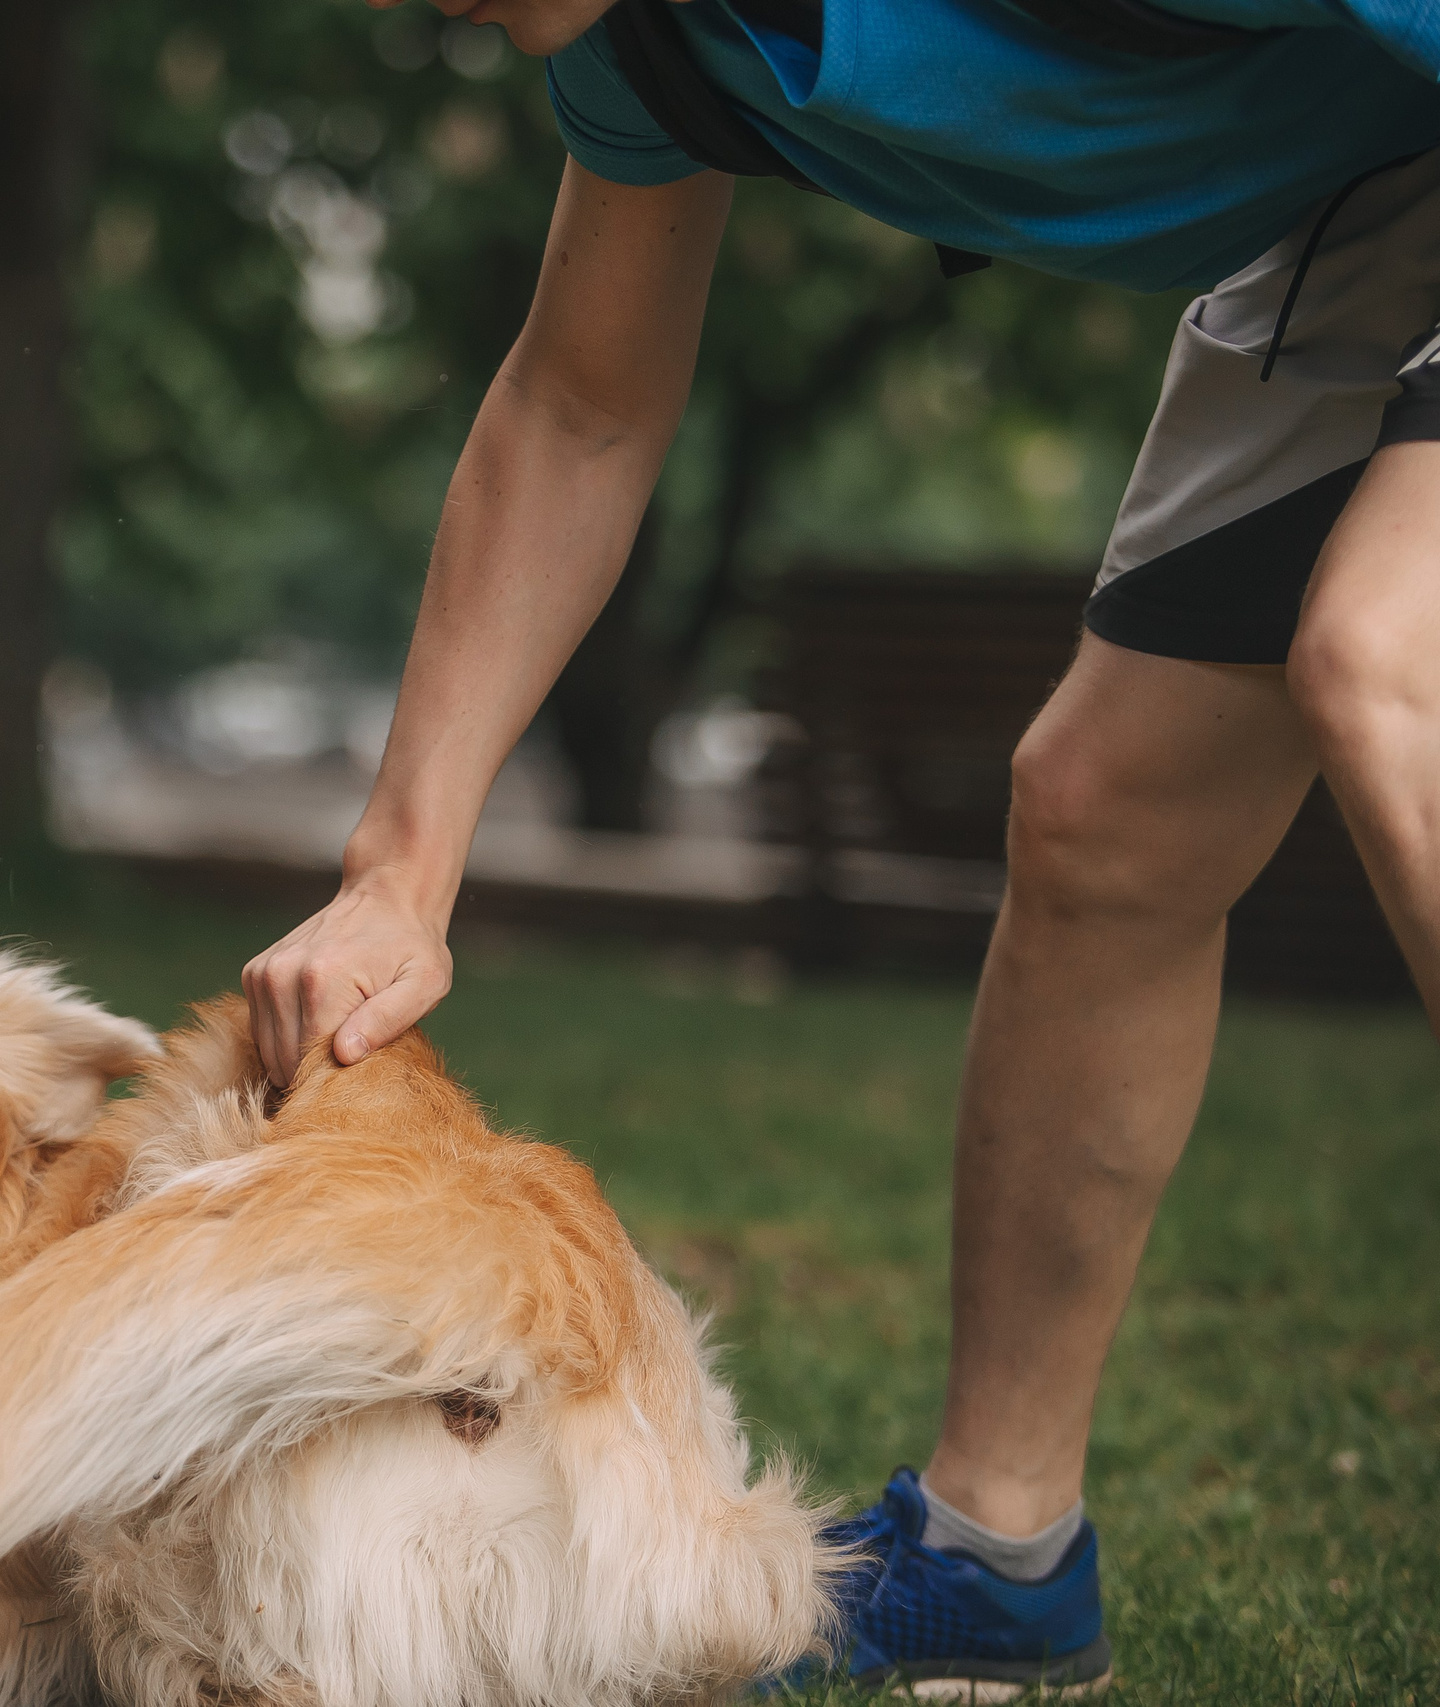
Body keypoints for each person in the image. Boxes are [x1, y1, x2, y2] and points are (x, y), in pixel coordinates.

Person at [243, 0, 1440, 1693]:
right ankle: (999, 1556)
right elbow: (581, 402)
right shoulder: (647, 51)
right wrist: (398, 874)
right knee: (1105, 811)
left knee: (1395, 663)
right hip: (1387, 193)